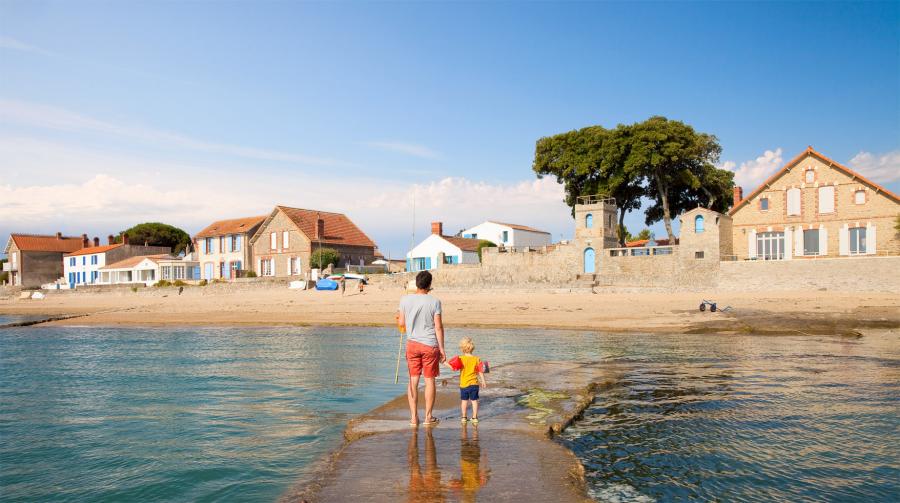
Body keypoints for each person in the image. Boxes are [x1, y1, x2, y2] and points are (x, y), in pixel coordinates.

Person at [398, 270, 446, 427]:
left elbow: (401, 324)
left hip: (412, 344)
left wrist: (399, 318)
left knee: (413, 380)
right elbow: (438, 327)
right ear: (429, 285)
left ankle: (413, 418)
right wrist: (442, 349)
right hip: (429, 345)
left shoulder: (405, 300)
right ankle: (428, 416)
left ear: (417, 283)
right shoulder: (435, 302)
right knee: (429, 380)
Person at [448, 336, 487, 423]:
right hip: (474, 384)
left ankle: (464, 417)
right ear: (472, 348)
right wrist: (483, 381)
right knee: (474, 401)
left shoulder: (461, 359)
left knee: (464, 401)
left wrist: (443, 362)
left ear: (462, 348)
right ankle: (475, 418)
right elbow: (481, 371)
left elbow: (453, 367)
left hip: (464, 384)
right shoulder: (477, 359)